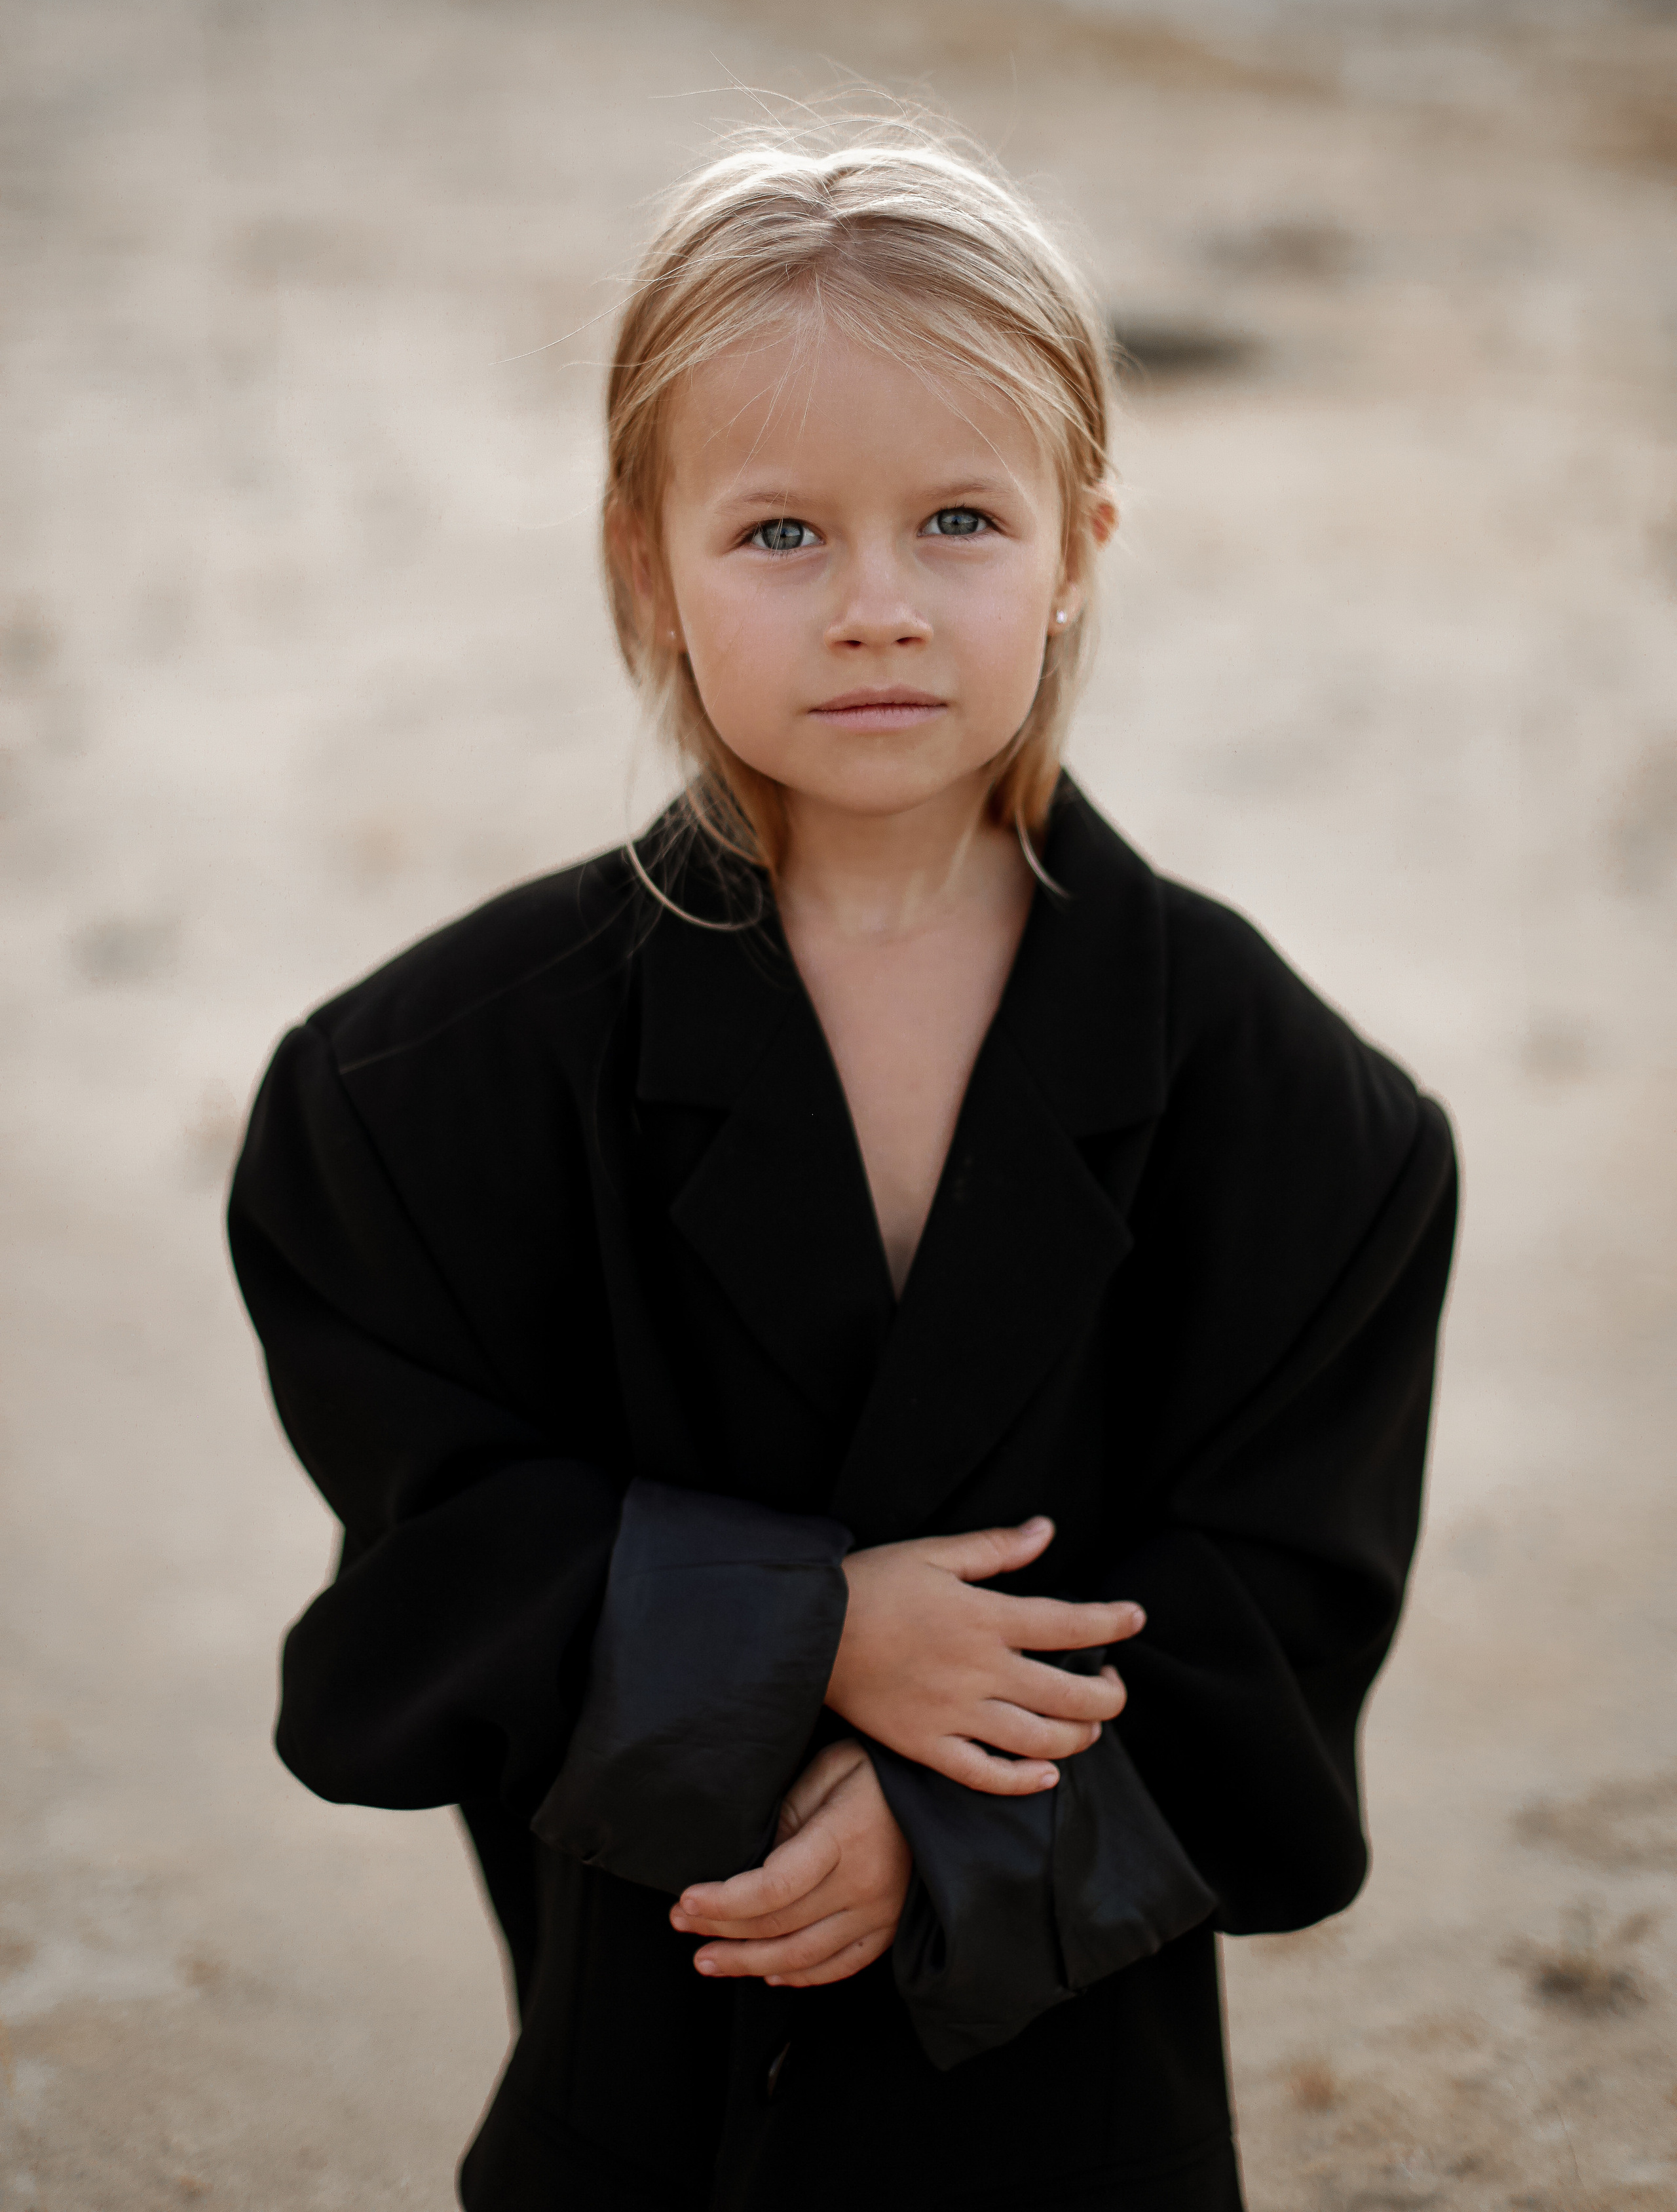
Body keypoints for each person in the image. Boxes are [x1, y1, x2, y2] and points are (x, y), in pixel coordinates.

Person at [229, 114, 1457, 2212]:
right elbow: (428, 1590)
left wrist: (962, 1822)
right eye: (781, 533)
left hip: (1087, 2133)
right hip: (646, 2104)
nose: (876, 605)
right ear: (646, 558)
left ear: (1080, 539)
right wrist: (795, 1631)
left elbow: (1274, 1639)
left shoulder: (1304, 1123)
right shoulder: (417, 1097)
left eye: (959, 520)